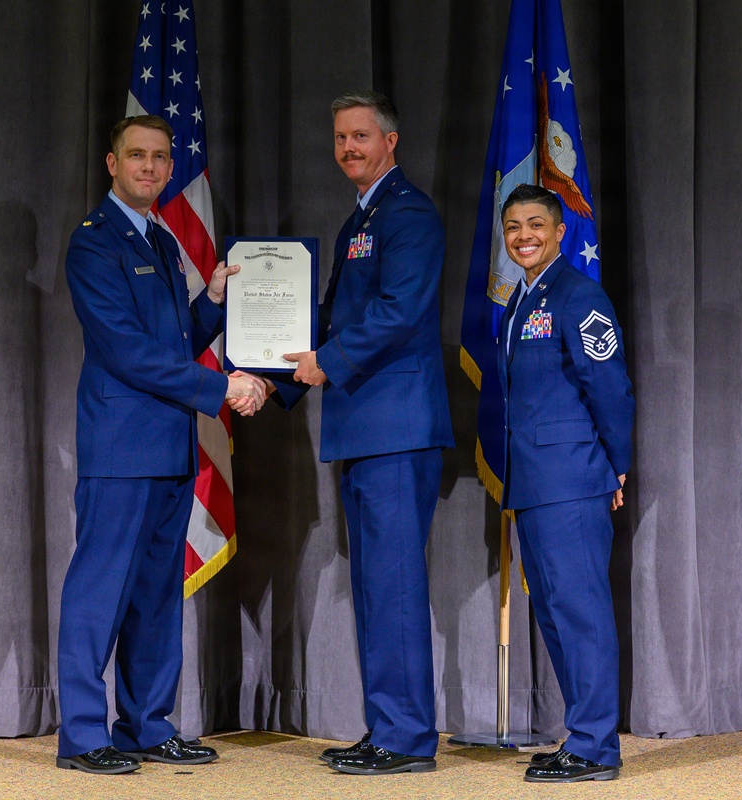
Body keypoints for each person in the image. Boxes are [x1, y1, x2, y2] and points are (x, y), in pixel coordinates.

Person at [56, 114, 266, 775]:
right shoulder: (95, 244)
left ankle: (147, 725)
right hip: (121, 448)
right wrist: (222, 389)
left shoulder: (163, 239)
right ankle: (85, 737)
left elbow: (173, 342)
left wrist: (213, 300)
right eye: (136, 156)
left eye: (159, 158)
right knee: (99, 593)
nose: (149, 166)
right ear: (111, 164)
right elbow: (127, 352)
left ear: (171, 169)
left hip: (170, 447)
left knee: (155, 597)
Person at [262, 91, 454, 775]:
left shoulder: (408, 215)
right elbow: (334, 316)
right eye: (341, 138)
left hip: (395, 430)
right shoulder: (360, 221)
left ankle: (404, 739)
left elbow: (401, 311)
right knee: (377, 586)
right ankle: (388, 729)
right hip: (365, 429)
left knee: (394, 586)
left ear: (391, 142)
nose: (349, 148)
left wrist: (325, 362)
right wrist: (273, 368)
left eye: (361, 137)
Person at [497, 184, 634, 783]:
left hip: (571, 478)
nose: (522, 235)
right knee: (556, 613)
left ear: (559, 232)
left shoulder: (580, 296)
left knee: (580, 612)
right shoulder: (519, 302)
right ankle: (582, 735)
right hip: (535, 482)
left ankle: (597, 747)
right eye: (511, 227)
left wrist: (617, 464)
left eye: (534, 224)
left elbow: (610, 389)